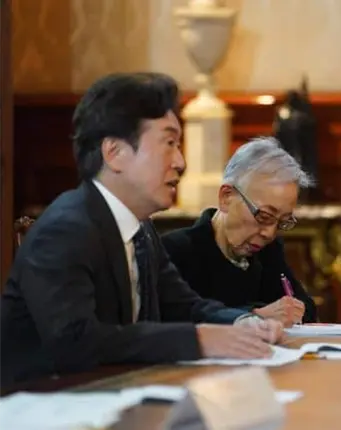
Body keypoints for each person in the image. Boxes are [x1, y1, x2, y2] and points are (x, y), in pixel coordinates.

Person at [0, 72, 283, 386]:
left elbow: (184, 306)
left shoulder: (141, 229)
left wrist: (243, 322)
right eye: (169, 143)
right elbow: (75, 341)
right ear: (115, 153)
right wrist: (197, 340)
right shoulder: (65, 230)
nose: (180, 161)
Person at [162, 137, 318, 328]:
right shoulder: (176, 251)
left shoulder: (268, 251)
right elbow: (175, 321)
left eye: (282, 222)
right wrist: (252, 315)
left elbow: (306, 309)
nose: (269, 233)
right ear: (226, 197)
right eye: (264, 216)